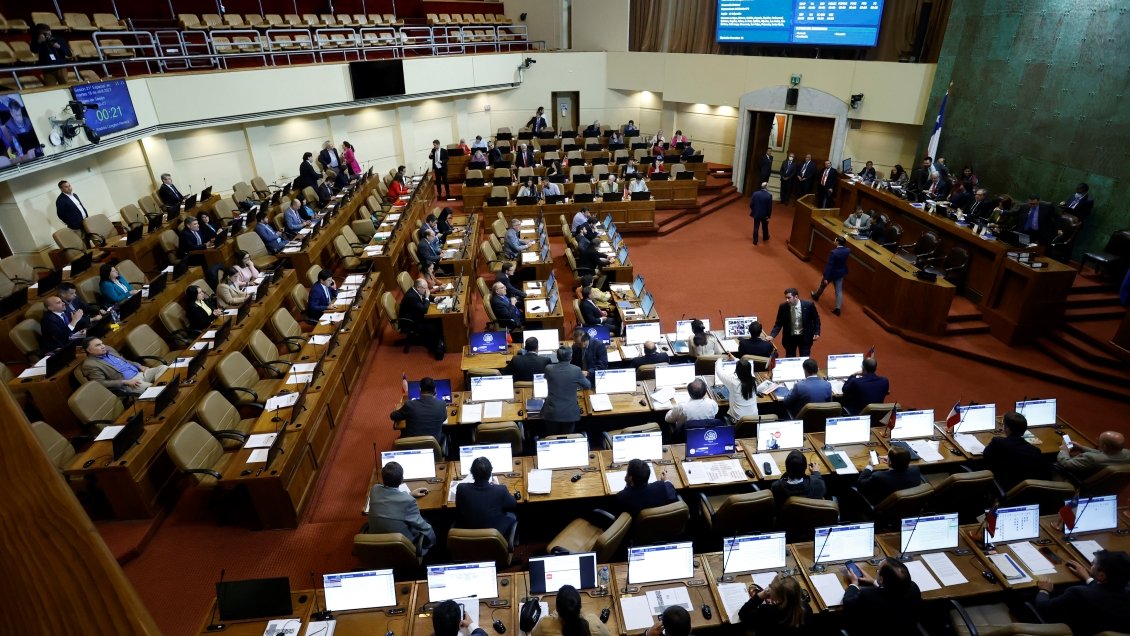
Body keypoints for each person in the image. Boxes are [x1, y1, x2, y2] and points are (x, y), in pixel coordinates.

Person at [1033, 550, 1130, 636]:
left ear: (1102, 576)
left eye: (1094, 564)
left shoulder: (1078, 593)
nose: (1091, 563)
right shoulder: (1125, 591)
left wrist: (1044, 590)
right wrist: (1088, 578)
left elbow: (1044, 608)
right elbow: (1104, 592)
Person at [366, 461, 435, 554]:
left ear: (383, 479)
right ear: (402, 479)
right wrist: (432, 543)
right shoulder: (409, 501)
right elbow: (423, 527)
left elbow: (390, 500)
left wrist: (410, 494)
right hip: (402, 547)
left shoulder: (374, 489)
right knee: (428, 521)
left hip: (377, 545)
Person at [842, 557, 921, 636]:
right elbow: (891, 592)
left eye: (878, 570)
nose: (877, 572)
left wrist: (854, 583)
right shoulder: (914, 587)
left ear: (882, 579)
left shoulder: (867, 595)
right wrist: (874, 582)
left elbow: (848, 603)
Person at [456, 456, 518, 544]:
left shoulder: (461, 488)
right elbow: (513, 504)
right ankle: (513, 542)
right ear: (490, 473)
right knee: (513, 516)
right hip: (494, 538)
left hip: (468, 536)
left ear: (472, 472)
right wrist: (497, 487)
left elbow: (458, 508)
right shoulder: (500, 490)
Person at [983, 411, 1049, 492]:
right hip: (1026, 491)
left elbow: (985, 456)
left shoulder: (998, 442)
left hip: (1004, 487)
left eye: (1003, 425)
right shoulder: (1035, 451)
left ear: (1007, 429)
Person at [81, 337, 169, 397]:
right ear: (89, 350)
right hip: (130, 383)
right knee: (157, 390)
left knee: (163, 367)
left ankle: (164, 386)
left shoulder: (108, 349)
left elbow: (125, 361)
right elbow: (101, 383)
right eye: (98, 345)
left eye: (102, 343)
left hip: (140, 373)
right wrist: (125, 382)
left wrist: (139, 366)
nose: (103, 346)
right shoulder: (90, 364)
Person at [737, 576, 812, 636]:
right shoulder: (806, 608)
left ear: (777, 596)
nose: (768, 587)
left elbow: (743, 614)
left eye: (770, 586)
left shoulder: (766, 611)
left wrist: (761, 595)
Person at [540, 347, 590, 436]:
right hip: (569, 413)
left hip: (552, 413)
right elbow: (587, 385)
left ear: (557, 357)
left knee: (552, 437)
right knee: (568, 438)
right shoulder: (576, 370)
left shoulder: (548, 368)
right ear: (571, 357)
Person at [531, 584, 610, 636]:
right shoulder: (593, 622)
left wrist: (553, 615)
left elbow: (533, 634)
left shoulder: (545, 624)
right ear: (580, 606)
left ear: (557, 609)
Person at [389, 376, 447, 445]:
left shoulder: (409, 405)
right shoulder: (442, 404)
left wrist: (402, 409)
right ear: (435, 390)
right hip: (434, 448)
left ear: (419, 389)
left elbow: (393, 416)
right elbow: (444, 418)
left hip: (413, 447)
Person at [855, 445, 922, 505]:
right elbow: (905, 464)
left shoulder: (879, 476)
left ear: (890, 461)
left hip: (882, 506)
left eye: (888, 457)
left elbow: (860, 484)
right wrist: (893, 461)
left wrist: (870, 466)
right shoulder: (915, 469)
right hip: (907, 505)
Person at [770, 288, 821, 357]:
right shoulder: (783, 307)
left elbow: (816, 319)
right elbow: (778, 323)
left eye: (789, 298)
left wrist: (817, 332)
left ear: (796, 297)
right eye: (786, 298)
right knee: (790, 360)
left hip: (805, 338)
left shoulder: (809, 305)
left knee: (804, 359)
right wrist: (772, 335)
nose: (787, 300)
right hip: (790, 339)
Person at [1057, 430, 1129, 479]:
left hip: (1080, 478)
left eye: (1099, 440)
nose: (1097, 441)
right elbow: (1103, 454)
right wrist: (1081, 447)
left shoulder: (1090, 458)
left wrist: (1064, 450)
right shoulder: (1127, 454)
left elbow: (1066, 464)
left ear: (1104, 446)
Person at [400, 278, 443, 356]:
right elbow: (424, 310)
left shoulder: (416, 290)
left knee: (438, 320)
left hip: (416, 315)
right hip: (410, 322)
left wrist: (435, 299)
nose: (427, 290)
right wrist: (427, 297)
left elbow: (423, 296)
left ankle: (440, 340)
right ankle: (436, 348)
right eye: (425, 288)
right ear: (418, 287)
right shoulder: (412, 296)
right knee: (434, 326)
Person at [811, 236, 849, 315]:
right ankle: (838, 308)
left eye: (835, 240)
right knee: (839, 291)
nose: (834, 241)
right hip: (840, 273)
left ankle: (816, 296)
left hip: (831, 274)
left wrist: (826, 277)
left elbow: (829, 266)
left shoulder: (834, 252)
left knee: (822, 286)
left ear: (838, 242)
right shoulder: (848, 250)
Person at [716, 357, 759, 422]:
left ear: (737, 371)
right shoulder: (754, 381)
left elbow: (719, 372)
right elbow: (745, 367)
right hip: (754, 419)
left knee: (720, 415)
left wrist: (719, 359)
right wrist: (734, 358)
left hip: (738, 421)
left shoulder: (733, 383)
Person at [749, 181, 773, 245]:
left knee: (756, 227)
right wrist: (768, 216)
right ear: (766, 187)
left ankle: (755, 241)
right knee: (765, 227)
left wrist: (754, 210)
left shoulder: (755, 193)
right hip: (764, 215)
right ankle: (765, 237)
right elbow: (769, 208)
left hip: (756, 213)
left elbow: (751, 204)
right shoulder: (769, 195)